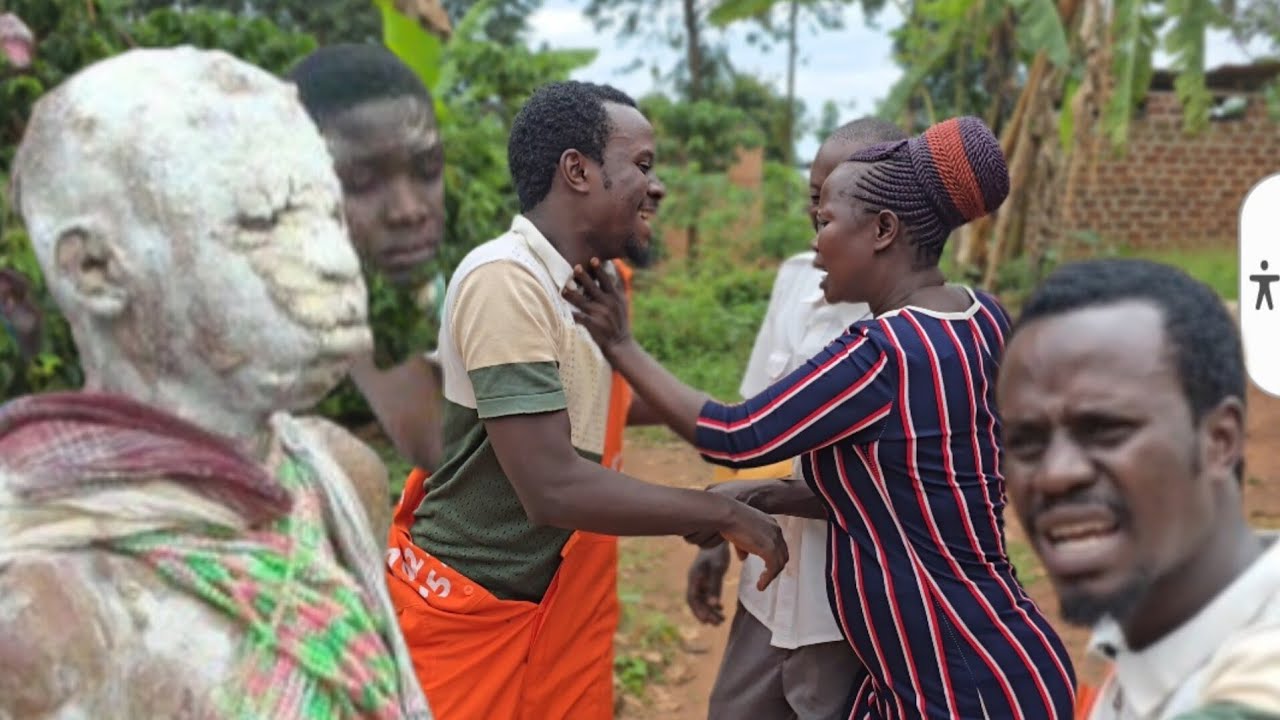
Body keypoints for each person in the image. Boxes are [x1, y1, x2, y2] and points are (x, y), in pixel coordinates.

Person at [565, 115, 1076, 719]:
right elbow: (912, 481)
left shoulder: (882, 351)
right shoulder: (982, 317)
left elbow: (735, 433)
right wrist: (771, 496)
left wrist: (621, 345)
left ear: (883, 229)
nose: (815, 244)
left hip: (964, 685)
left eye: (826, 221)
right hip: (964, 665)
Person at [0, 46, 428, 718]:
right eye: (262, 222)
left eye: (329, 215)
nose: (333, 259)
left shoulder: (338, 479)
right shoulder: (39, 607)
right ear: (95, 272)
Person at [382, 80, 788, 720]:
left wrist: (763, 421)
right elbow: (551, 486)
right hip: (474, 609)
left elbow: (608, 400)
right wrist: (720, 514)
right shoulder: (507, 281)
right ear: (578, 170)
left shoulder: (587, 285)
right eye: (643, 166)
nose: (657, 187)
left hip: (553, 609)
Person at [997, 257, 1280, 720]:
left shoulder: (1257, 688)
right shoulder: (1140, 628)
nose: (1054, 474)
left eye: (1104, 429)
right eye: (1026, 442)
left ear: (1219, 440)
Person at [689, 117, 905, 720]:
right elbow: (748, 431)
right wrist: (718, 529)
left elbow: (890, 485)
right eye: (814, 198)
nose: (818, 215)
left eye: (833, 200)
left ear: (885, 219)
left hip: (849, 619)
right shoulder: (793, 280)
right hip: (767, 591)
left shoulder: (906, 332)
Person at [289, 44, 449, 483]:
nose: (408, 210)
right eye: (360, 182)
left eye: (427, 169)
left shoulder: (429, 289)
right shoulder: (314, 303)